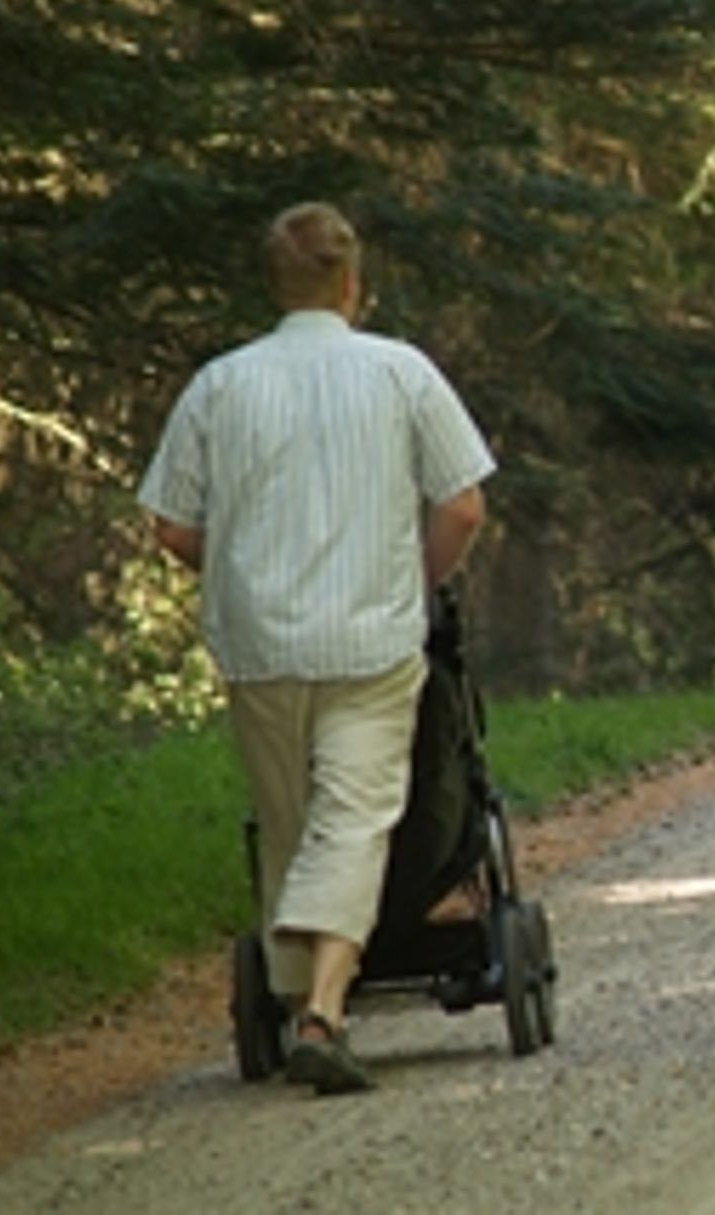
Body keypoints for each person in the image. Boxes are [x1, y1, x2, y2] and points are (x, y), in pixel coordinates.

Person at [139, 202, 495, 1094]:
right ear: (350, 283)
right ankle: (320, 1014)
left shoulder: (220, 385)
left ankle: (301, 990)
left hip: (259, 642)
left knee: (292, 818)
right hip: (372, 637)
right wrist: (419, 581)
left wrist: (240, 572)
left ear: (278, 284)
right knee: (353, 816)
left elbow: (172, 526)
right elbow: (463, 505)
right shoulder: (400, 372)